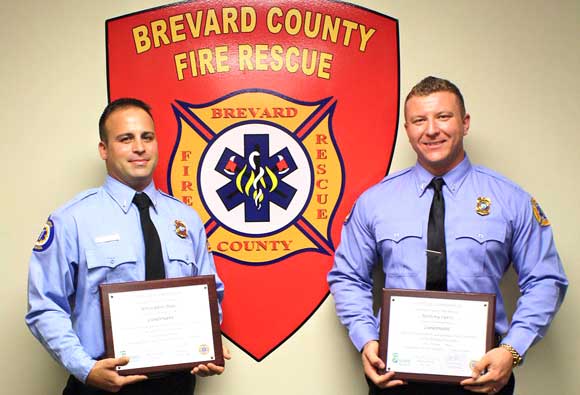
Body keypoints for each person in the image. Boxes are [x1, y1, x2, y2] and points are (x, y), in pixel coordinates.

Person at [328, 76, 568, 395]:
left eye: (443, 116)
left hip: (482, 376)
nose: (431, 130)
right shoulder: (375, 202)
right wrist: (366, 339)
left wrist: (512, 350)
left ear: (464, 123)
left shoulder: (511, 200)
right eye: (419, 120)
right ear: (407, 130)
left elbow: (545, 279)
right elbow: (348, 276)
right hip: (395, 376)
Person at [26, 98, 229, 394]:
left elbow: (211, 293)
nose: (139, 147)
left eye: (147, 137)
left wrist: (207, 343)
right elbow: (44, 307)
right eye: (126, 139)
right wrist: (85, 368)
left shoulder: (186, 219)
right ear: (104, 149)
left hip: (177, 384)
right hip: (102, 385)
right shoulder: (73, 219)